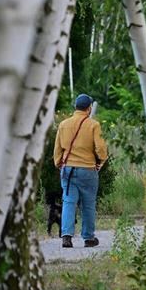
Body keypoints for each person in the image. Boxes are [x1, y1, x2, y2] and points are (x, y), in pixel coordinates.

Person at [53, 94, 108, 248]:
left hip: (68, 170)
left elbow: (57, 149)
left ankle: (66, 236)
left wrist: (60, 164)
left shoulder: (63, 124)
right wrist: (102, 160)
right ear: (89, 108)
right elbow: (100, 148)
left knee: (69, 202)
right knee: (88, 204)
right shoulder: (93, 125)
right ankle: (88, 238)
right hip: (87, 170)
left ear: (75, 107)